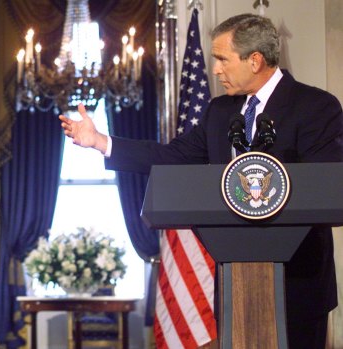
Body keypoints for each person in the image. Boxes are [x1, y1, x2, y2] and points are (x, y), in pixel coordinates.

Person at [60, 13, 343, 349]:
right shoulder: (220, 112)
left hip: (298, 280)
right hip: (234, 282)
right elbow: (172, 157)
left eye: (222, 59)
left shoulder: (315, 107)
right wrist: (101, 142)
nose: (216, 70)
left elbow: (324, 186)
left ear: (255, 60)